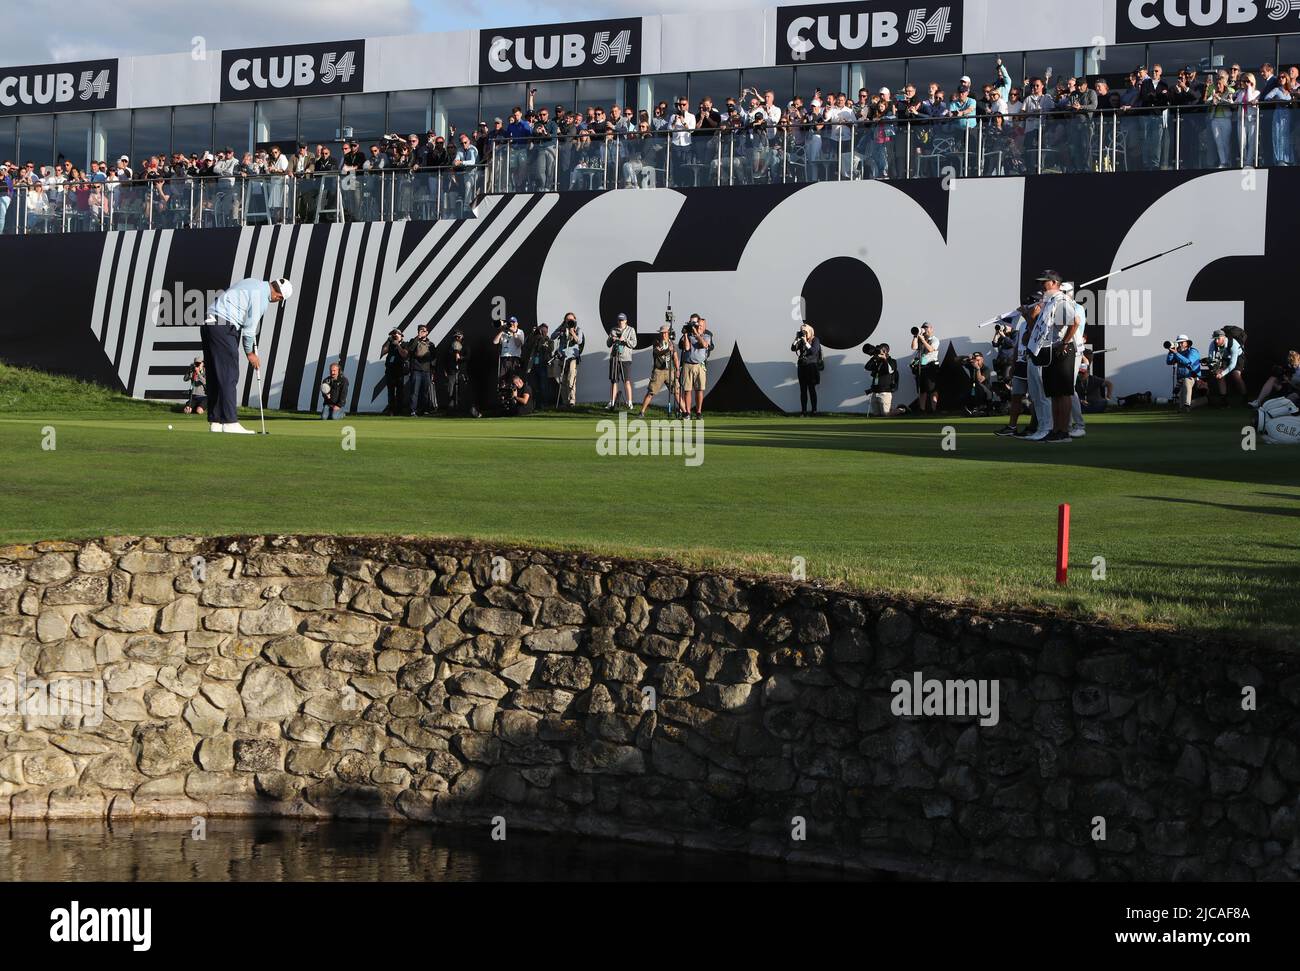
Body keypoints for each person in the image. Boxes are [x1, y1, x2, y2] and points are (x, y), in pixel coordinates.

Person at [201, 277, 292, 434]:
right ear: (278, 296)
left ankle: (215, 421)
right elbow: (249, 331)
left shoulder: (251, 281)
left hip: (208, 323)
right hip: (224, 327)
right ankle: (230, 422)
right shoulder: (262, 298)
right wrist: (250, 354)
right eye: (279, 299)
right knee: (229, 374)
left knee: (215, 374)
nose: (276, 301)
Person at [1026, 270, 1081, 442]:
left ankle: (1063, 431)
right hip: (1050, 351)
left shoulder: (1061, 300)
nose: (1042, 286)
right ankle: (1056, 430)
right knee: (1054, 394)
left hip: (1061, 350)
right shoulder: (1049, 302)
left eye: (1046, 282)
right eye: (1041, 282)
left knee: (1063, 393)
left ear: (1055, 282)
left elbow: (1075, 322)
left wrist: (1064, 342)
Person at [640, 323, 681, 417]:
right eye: (662, 333)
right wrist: (667, 350)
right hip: (658, 371)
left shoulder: (671, 343)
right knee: (651, 392)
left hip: (670, 370)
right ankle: (642, 411)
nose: (664, 335)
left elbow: (675, 357)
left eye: (665, 333)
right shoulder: (657, 342)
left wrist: (677, 369)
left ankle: (685, 412)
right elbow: (657, 353)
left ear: (668, 333)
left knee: (677, 392)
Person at [679, 315, 712, 420]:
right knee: (687, 390)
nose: (699, 327)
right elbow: (687, 347)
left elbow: (704, 345)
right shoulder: (688, 335)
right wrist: (685, 334)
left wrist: (696, 333)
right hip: (687, 364)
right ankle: (687, 413)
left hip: (699, 365)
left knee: (699, 389)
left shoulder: (706, 335)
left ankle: (698, 412)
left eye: (699, 325)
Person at [1205, 327, 1246, 406]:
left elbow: (1233, 364)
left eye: (1218, 339)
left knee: (1236, 375)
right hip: (1225, 358)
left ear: (1224, 337)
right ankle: (1223, 400)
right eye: (1215, 339)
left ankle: (1244, 397)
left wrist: (1222, 374)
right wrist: (1215, 370)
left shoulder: (1233, 344)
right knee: (1219, 374)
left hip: (1238, 358)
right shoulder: (1213, 344)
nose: (1216, 341)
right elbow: (1211, 359)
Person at [791, 323, 824, 416]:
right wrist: (796, 339)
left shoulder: (815, 340)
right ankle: (804, 411)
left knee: (811, 389)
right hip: (802, 367)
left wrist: (805, 342)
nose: (803, 333)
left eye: (805, 331)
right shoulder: (801, 340)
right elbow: (793, 348)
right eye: (802, 331)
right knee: (803, 390)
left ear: (809, 331)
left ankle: (814, 410)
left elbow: (813, 351)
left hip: (811, 367)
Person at [606, 313, 636, 410]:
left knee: (626, 381)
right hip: (615, 358)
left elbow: (634, 343)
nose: (621, 322)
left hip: (625, 359)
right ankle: (612, 402)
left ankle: (629, 403)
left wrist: (625, 340)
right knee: (614, 381)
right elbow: (608, 344)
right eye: (619, 320)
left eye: (622, 320)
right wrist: (612, 338)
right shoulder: (613, 330)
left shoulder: (631, 330)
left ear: (626, 321)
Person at [405, 323, 436, 415]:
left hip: (427, 371)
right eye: (421, 330)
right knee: (414, 392)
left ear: (427, 332)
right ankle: (412, 411)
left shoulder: (431, 344)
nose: (423, 332)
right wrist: (417, 337)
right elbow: (410, 350)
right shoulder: (413, 341)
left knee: (425, 392)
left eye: (424, 330)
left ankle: (424, 410)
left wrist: (433, 371)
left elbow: (434, 358)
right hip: (416, 370)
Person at [1165, 334, 1201, 413]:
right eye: (1179, 343)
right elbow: (1169, 362)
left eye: (1182, 342)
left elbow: (1188, 362)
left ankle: (1187, 405)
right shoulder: (1178, 352)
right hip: (1181, 378)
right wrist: (1171, 352)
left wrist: (1176, 353)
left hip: (1192, 377)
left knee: (1186, 381)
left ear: (1187, 343)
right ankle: (1183, 408)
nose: (1180, 344)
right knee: (1180, 396)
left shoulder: (1193, 351)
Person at [554, 313, 584, 408]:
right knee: (562, 379)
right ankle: (565, 401)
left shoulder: (578, 329)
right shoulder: (562, 328)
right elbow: (552, 336)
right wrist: (561, 330)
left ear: (575, 320)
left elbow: (579, 341)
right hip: (562, 356)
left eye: (571, 320)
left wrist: (572, 332)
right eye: (568, 319)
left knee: (571, 378)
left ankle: (572, 401)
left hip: (572, 357)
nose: (569, 321)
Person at [523, 323, 555, 410]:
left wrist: (542, 337)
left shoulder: (549, 340)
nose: (542, 331)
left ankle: (544, 404)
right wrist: (532, 334)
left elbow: (549, 349)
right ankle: (534, 405)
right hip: (533, 366)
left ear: (547, 331)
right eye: (541, 330)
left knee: (543, 385)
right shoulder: (534, 338)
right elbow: (527, 345)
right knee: (533, 385)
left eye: (544, 330)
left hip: (543, 365)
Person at [910, 322, 940, 413]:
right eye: (923, 327)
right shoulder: (920, 338)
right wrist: (915, 336)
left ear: (931, 329)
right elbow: (913, 347)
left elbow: (931, 349)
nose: (924, 329)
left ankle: (933, 409)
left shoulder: (934, 339)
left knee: (932, 389)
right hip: (921, 366)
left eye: (926, 327)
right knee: (922, 389)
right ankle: (922, 409)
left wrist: (923, 341)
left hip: (931, 366)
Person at [863, 342, 898, 416]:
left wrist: (885, 359)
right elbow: (867, 367)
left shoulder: (892, 361)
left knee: (886, 414)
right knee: (876, 415)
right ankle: (892, 410)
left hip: (885, 392)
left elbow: (889, 370)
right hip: (875, 391)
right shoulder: (876, 361)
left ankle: (902, 410)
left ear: (885, 351)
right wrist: (874, 357)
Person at [380, 328, 407, 415]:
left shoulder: (405, 344)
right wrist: (388, 340)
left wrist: (398, 345)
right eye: (393, 334)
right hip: (390, 371)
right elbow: (383, 351)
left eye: (396, 334)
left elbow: (404, 354)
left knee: (400, 392)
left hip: (399, 371)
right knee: (390, 392)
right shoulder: (390, 344)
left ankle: (399, 410)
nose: (395, 336)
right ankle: (391, 410)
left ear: (401, 335)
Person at [961, 351, 992, 415]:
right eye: (975, 360)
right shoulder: (971, 366)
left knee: (977, 385)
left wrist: (978, 369)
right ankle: (971, 408)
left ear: (982, 360)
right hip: (974, 390)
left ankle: (980, 407)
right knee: (970, 388)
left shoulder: (986, 369)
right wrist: (967, 358)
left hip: (986, 392)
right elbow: (957, 360)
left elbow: (980, 380)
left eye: (978, 360)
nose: (977, 362)